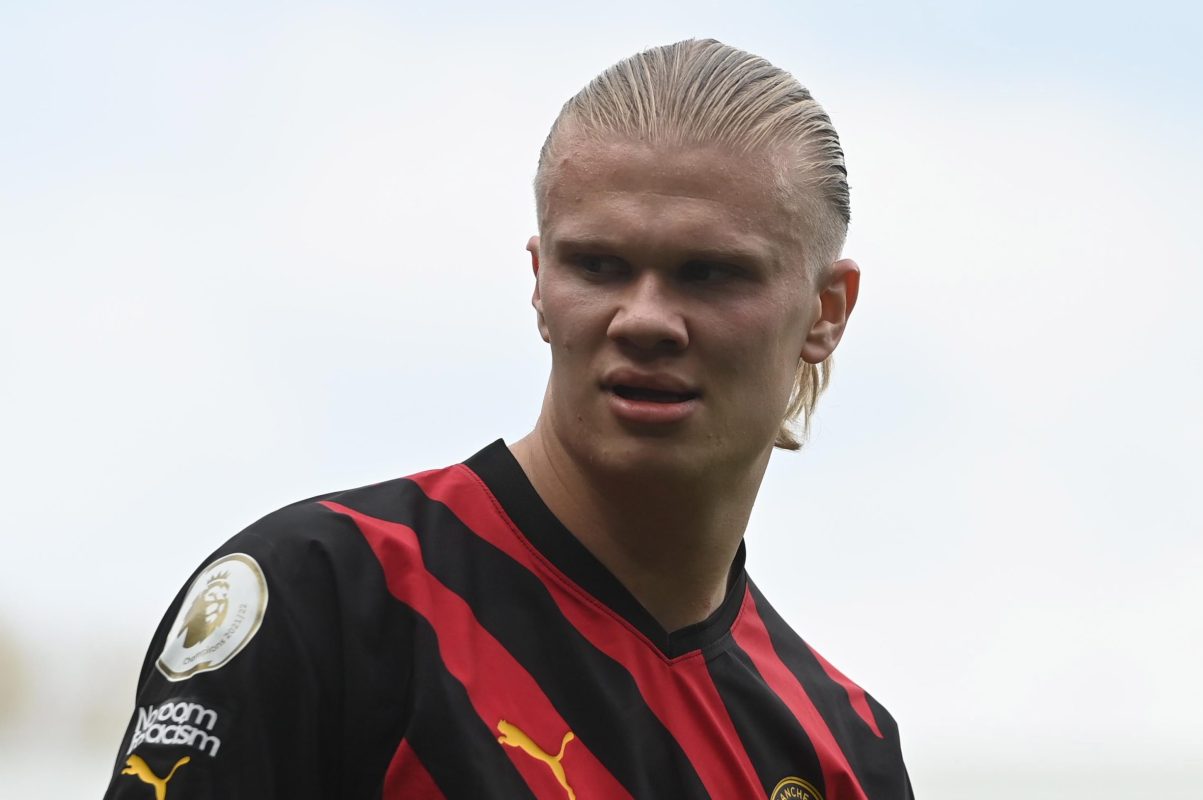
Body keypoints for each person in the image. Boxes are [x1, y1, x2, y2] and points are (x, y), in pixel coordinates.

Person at [103, 38, 913, 800]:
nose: (643, 319)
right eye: (596, 265)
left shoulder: (843, 752)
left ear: (826, 311)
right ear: (539, 283)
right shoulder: (327, 597)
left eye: (709, 273)